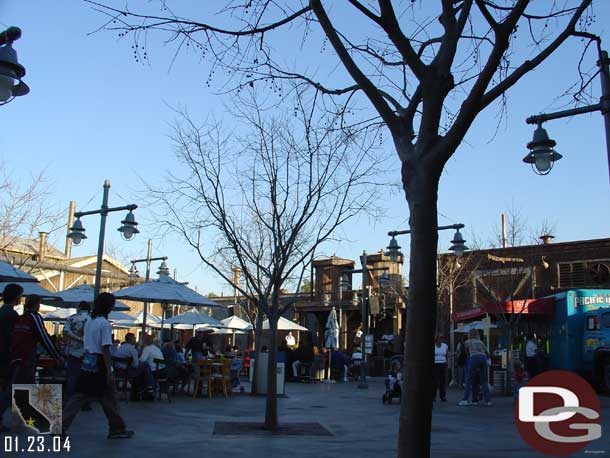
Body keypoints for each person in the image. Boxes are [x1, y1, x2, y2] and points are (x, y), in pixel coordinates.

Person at [61, 292, 134, 439]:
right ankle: (116, 428)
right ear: (108, 306)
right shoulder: (104, 324)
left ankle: (61, 425)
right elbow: (105, 348)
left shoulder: (90, 322)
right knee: (108, 397)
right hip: (100, 362)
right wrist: (109, 370)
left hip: (88, 360)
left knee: (82, 396)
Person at [10, 295, 62, 384]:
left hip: (15, 355)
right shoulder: (34, 317)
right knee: (27, 384)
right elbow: (44, 338)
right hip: (28, 356)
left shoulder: (21, 317)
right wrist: (57, 356)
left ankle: (16, 397)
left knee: (18, 384)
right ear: (37, 305)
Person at [0, 283, 23, 431]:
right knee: (8, 390)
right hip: (7, 357)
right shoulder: (12, 315)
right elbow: (13, 337)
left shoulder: (2, 312)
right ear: (16, 297)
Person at [114, 333, 155, 400]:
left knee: (144, 369)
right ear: (131, 340)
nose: (136, 340)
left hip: (118, 371)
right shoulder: (131, 349)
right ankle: (149, 387)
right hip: (127, 372)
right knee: (146, 365)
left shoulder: (121, 347)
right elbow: (136, 365)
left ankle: (146, 388)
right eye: (135, 338)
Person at [63, 301, 90, 400]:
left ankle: (70, 399)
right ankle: (85, 402)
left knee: (72, 377)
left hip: (73, 351)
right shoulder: (92, 319)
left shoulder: (72, 318)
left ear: (79, 307)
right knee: (86, 378)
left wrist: (77, 338)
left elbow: (66, 332)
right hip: (87, 352)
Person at [458, 329, 491, 406]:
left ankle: (465, 399)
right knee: (484, 381)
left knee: (469, 380)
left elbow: (465, 352)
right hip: (483, 358)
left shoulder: (468, 342)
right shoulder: (480, 342)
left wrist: (469, 356)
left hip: (474, 358)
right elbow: (487, 353)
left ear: (470, 334)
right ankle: (488, 401)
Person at [432, 334, 448, 402]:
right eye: (439, 338)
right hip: (435, 364)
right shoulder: (433, 346)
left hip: (443, 364)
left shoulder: (444, 345)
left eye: (442, 338)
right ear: (436, 339)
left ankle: (443, 396)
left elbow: (447, 354)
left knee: (443, 381)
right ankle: (433, 396)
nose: (441, 340)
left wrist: (447, 363)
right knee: (435, 381)